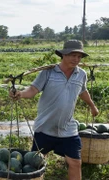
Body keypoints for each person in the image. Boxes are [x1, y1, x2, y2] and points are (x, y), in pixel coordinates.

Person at [9, 39, 99, 180]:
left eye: (79, 56)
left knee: (75, 162)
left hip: (68, 128)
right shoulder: (48, 73)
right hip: (45, 127)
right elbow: (33, 90)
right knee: (36, 163)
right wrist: (20, 93)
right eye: (72, 55)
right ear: (63, 54)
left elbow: (83, 91)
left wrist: (92, 105)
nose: (76, 59)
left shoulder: (81, 74)